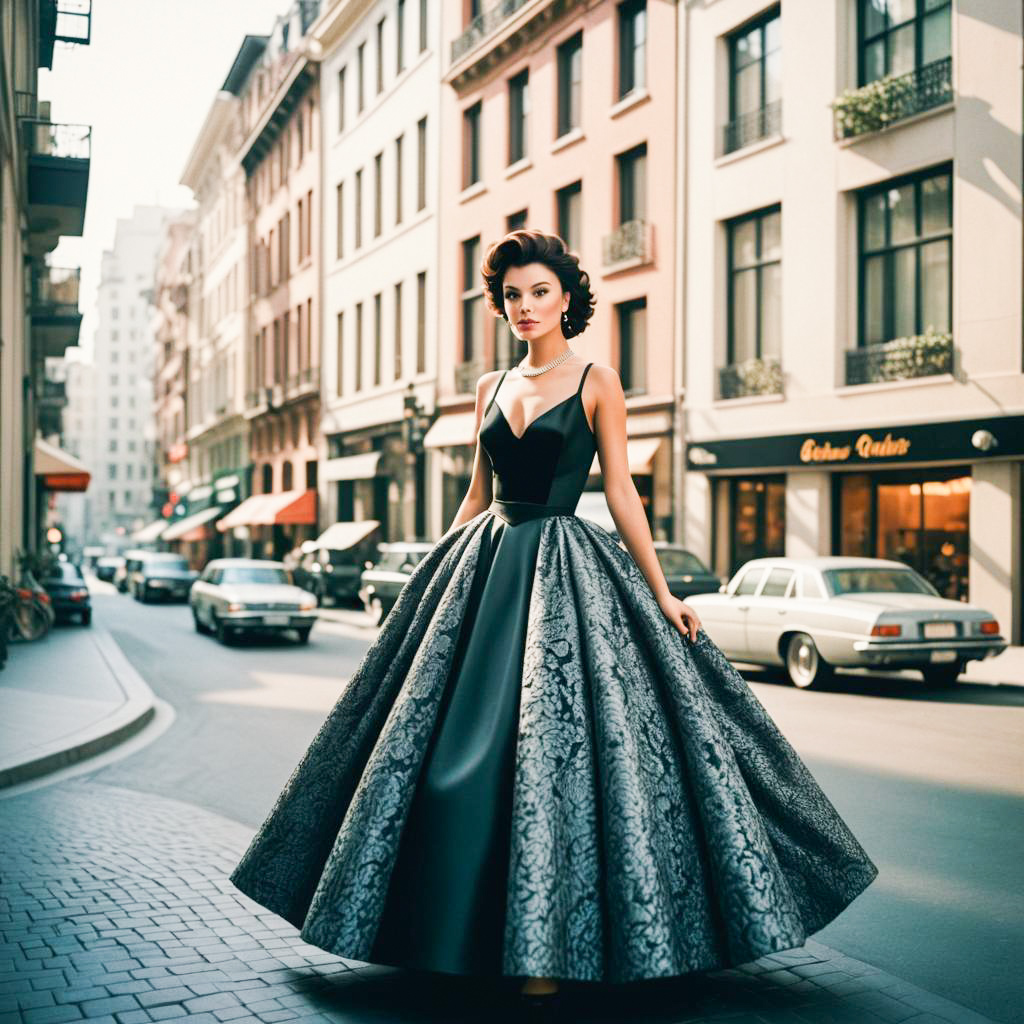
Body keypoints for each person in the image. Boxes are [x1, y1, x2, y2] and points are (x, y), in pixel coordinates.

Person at [228, 230, 878, 1009]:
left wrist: (663, 590)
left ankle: (548, 947)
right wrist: (429, 580)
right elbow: (475, 496)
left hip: (566, 566)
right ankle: (444, 935)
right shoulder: (489, 387)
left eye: (538, 292)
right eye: (510, 296)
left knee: (558, 752)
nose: (524, 307)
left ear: (567, 297)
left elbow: (626, 493)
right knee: (438, 758)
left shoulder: (598, 379)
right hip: (484, 565)